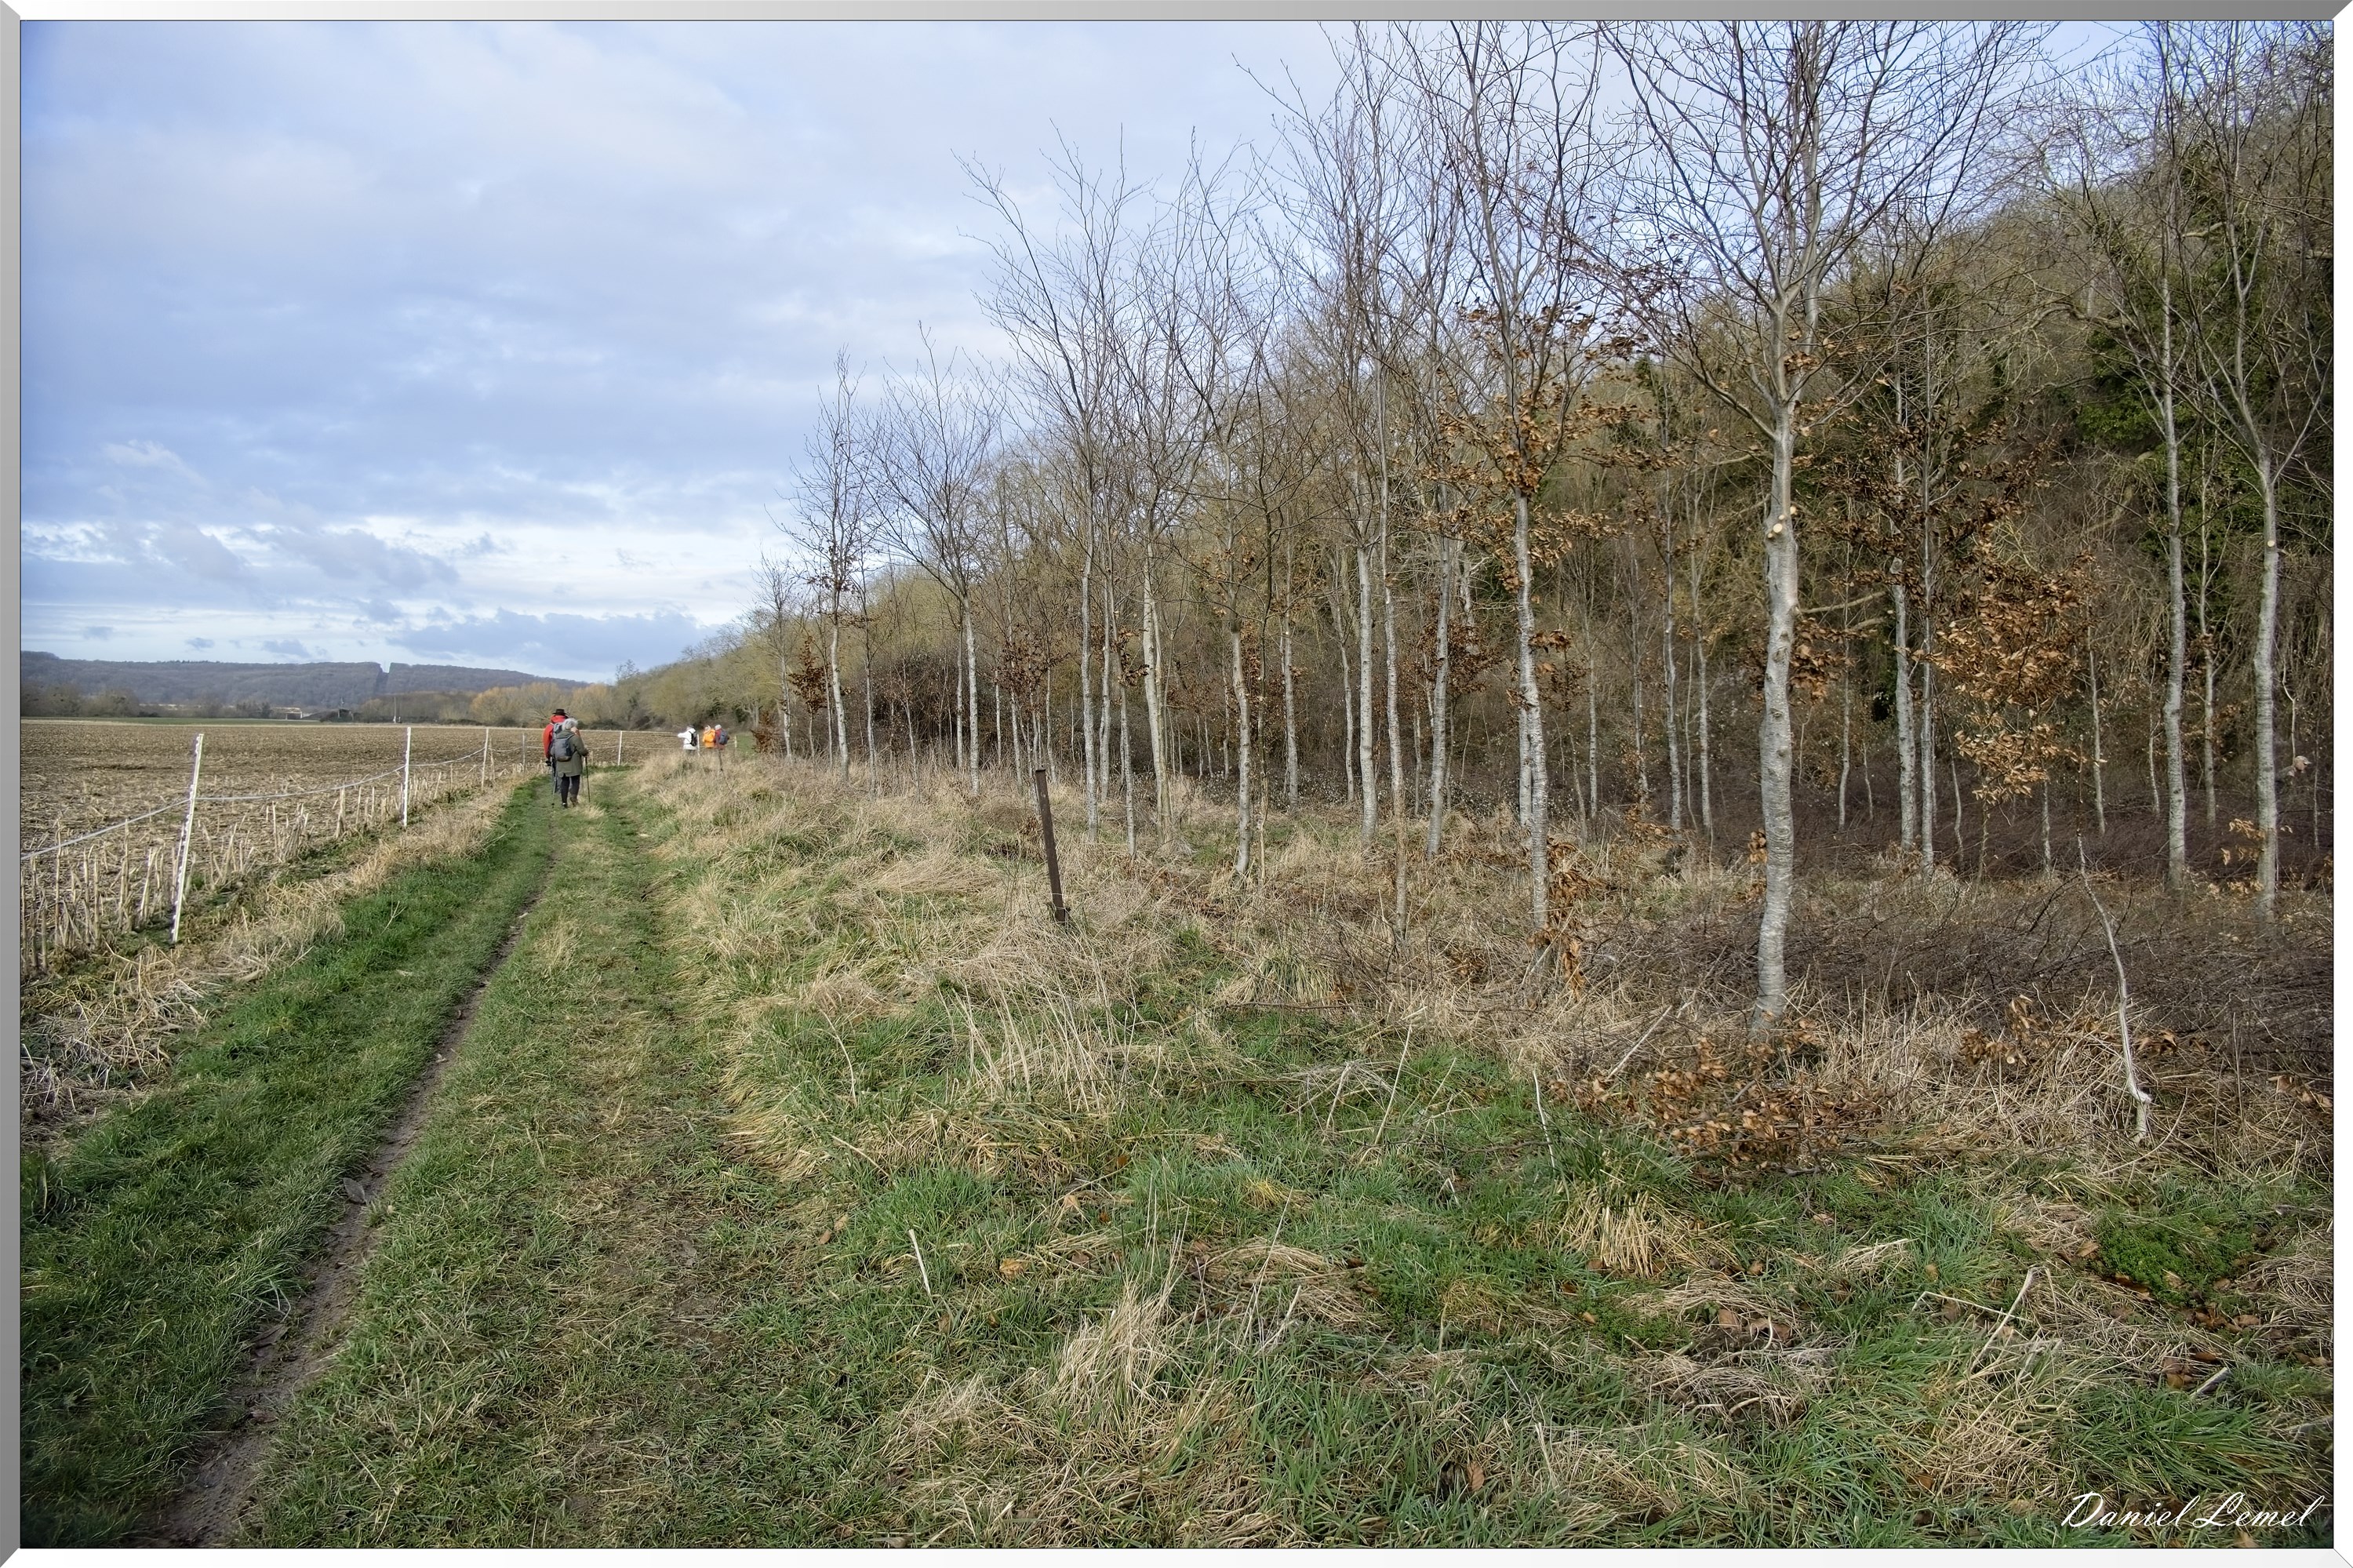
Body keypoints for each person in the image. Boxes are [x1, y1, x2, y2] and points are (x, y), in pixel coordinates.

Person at [549, 713, 586, 807]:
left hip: (561, 764)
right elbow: (582, 751)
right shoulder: (575, 738)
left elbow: (552, 751)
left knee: (564, 782)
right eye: (575, 727)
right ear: (572, 727)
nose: (576, 729)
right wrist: (586, 753)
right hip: (574, 764)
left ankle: (564, 803)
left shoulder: (557, 737)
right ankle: (573, 797)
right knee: (575, 781)